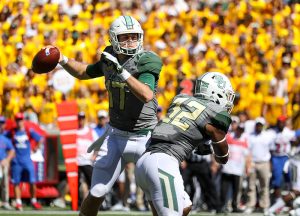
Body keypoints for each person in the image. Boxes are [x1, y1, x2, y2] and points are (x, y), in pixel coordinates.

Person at [44, 15, 162, 215]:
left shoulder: (146, 60)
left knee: (156, 195)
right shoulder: (110, 57)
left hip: (146, 135)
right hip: (116, 135)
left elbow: (146, 95)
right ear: (114, 38)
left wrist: (121, 71)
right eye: (125, 37)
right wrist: (62, 59)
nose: (131, 41)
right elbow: (84, 72)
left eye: (134, 36)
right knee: (97, 191)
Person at [135, 71, 235, 216]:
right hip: (163, 163)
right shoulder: (215, 113)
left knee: (185, 207)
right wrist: (215, 148)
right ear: (215, 92)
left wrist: (201, 142)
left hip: (144, 161)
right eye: (226, 94)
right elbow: (223, 158)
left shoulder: (181, 99)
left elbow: (189, 127)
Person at [6, 113, 43, 211]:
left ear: (23, 120)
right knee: (16, 182)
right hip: (16, 161)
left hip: (27, 160)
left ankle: (33, 201)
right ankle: (18, 202)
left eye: (20, 119)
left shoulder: (28, 130)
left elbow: (40, 138)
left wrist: (35, 148)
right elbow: (4, 138)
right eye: (17, 120)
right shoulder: (12, 132)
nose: (19, 122)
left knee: (32, 181)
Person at [0, 116, 15, 210]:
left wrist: (7, 160)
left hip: (3, 163)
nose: (0, 125)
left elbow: (12, 150)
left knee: (5, 183)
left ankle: (5, 201)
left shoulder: (6, 138)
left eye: (2, 123)